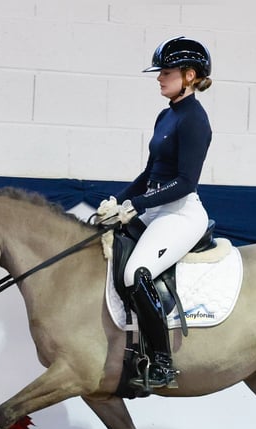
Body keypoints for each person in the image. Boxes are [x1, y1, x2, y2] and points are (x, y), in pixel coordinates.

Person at [97, 36, 213, 390]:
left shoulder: (194, 119)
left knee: (136, 272)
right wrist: (117, 202)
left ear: (189, 75)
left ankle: (162, 362)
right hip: (153, 209)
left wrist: (140, 204)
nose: (159, 78)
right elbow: (149, 174)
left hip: (180, 214)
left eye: (166, 72)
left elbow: (185, 182)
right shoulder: (166, 115)